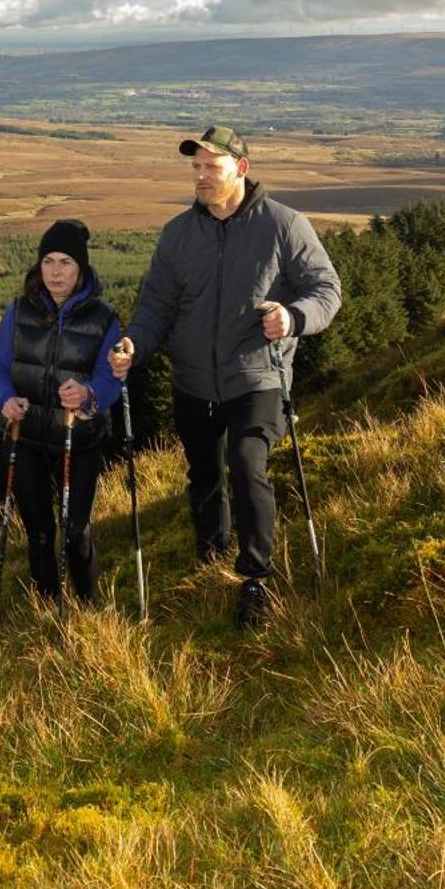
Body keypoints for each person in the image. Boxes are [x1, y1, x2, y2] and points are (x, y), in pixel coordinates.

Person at [108, 125, 341, 629]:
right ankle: (211, 560)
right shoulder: (178, 234)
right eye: (194, 167)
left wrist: (292, 319)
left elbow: (325, 290)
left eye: (211, 167)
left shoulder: (283, 225)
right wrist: (134, 345)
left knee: (246, 462)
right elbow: (156, 307)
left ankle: (255, 579)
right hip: (192, 380)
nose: (200, 176)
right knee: (204, 475)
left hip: (259, 375)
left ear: (241, 168)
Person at [0, 219, 124, 606]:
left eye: (65, 262)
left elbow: (111, 380)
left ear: (81, 267)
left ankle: (88, 607)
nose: (56, 271)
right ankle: (48, 608)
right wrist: (6, 400)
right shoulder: (18, 311)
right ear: (39, 265)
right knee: (40, 532)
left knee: (75, 532)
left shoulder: (104, 318)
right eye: (48, 261)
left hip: (78, 440)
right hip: (26, 437)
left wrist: (88, 393)